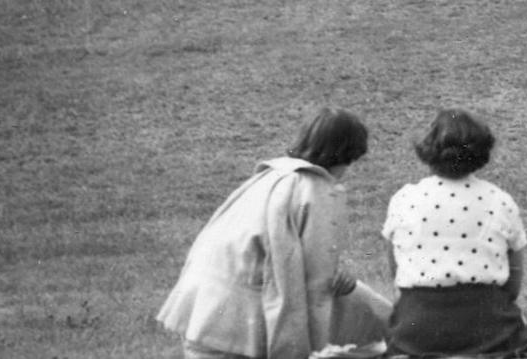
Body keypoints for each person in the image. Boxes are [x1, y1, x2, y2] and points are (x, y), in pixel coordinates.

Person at [157, 108, 390, 359]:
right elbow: (314, 282)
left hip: (201, 316)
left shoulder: (270, 177)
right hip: (239, 336)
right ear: (346, 153)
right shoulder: (315, 190)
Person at [381, 110, 527, 357]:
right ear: (482, 151)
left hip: (415, 334)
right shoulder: (500, 201)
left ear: (428, 149)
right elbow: (513, 286)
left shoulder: (404, 198)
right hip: (491, 333)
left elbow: (396, 273)